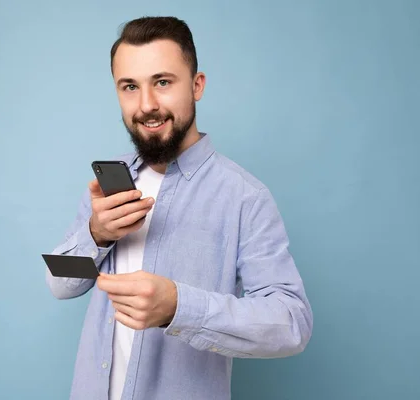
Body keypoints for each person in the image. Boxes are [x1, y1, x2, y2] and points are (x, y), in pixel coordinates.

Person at [46, 15, 313, 400]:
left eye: (163, 82)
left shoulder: (244, 198)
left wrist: (179, 307)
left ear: (197, 85)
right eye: (130, 87)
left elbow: (292, 322)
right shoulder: (110, 184)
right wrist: (96, 234)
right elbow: (59, 284)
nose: (147, 105)